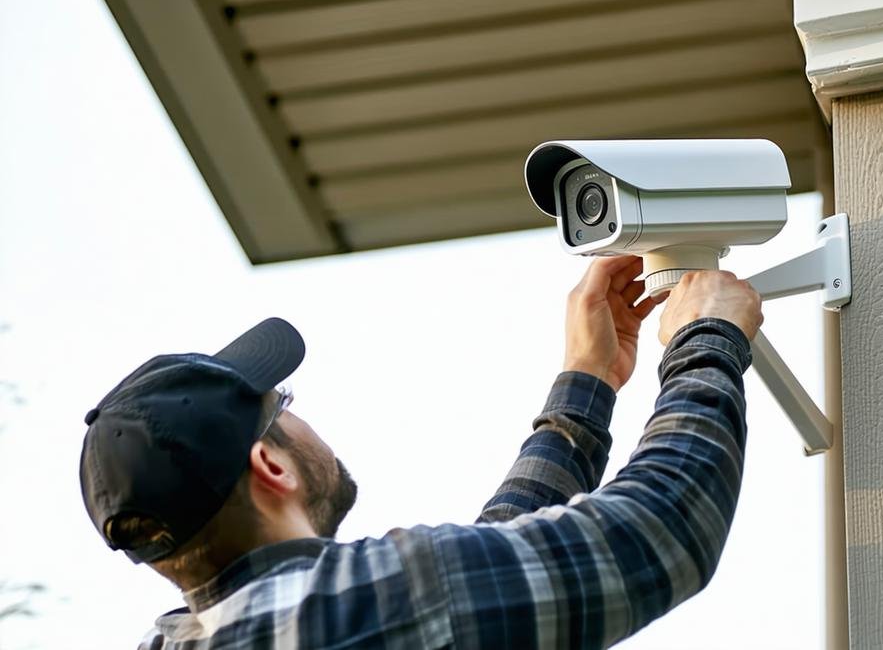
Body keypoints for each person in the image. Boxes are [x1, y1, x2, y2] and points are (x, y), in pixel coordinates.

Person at [79, 256, 763, 649]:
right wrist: (705, 340)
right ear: (271, 466)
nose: (297, 413)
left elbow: (477, 581)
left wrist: (586, 386)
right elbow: (660, 533)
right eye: (280, 409)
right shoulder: (368, 604)